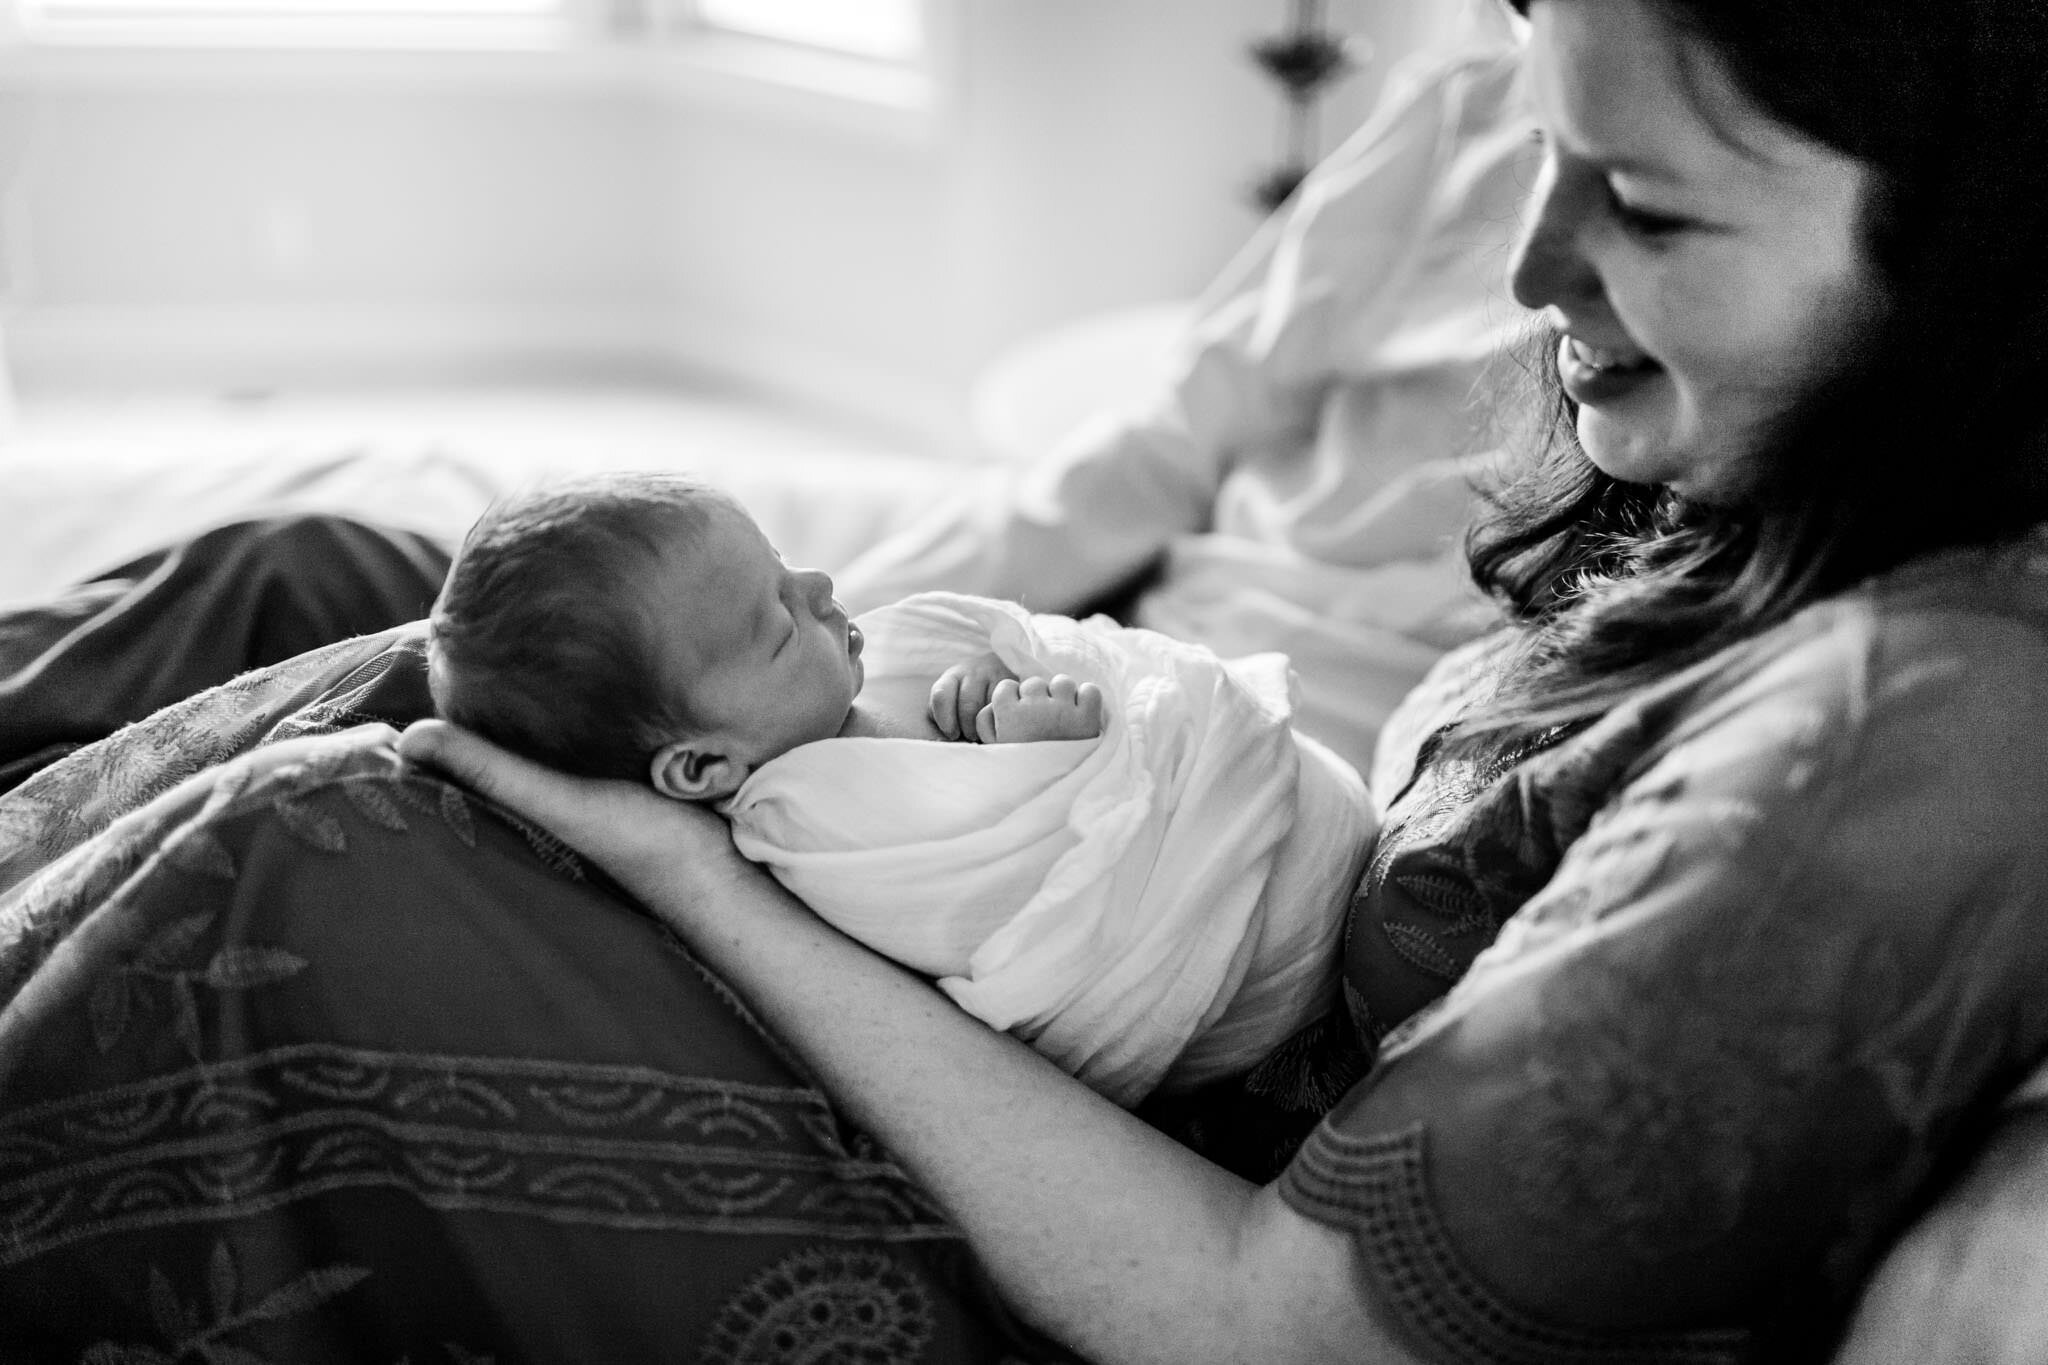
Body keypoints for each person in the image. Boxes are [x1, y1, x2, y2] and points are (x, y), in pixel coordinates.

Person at [392, 0, 2048, 1357]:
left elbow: (1254, 1323)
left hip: (1131, 1201)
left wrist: (690, 870)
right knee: (348, 584)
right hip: (1132, 1005)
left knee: (310, 835)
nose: (1529, 271)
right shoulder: (1762, 489)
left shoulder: (1906, 741)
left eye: (1651, 206)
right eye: (1545, 152)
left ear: (1974, 253)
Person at [427, 473, 1372, 1105]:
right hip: (1259, 941)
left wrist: (972, 711)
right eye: (778, 621)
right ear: (704, 769)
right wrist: (1051, 760)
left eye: (785, 563)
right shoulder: (813, 822)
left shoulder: (821, 716)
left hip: (1306, 844)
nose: (824, 582)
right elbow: (1013, 892)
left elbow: (973, 711)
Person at [835, 6, 1539, 779]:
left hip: (1330, 739)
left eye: (1645, 212)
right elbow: (1187, 427)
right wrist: (845, 615)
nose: (1540, 270)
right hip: (1170, 628)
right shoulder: (1469, 105)